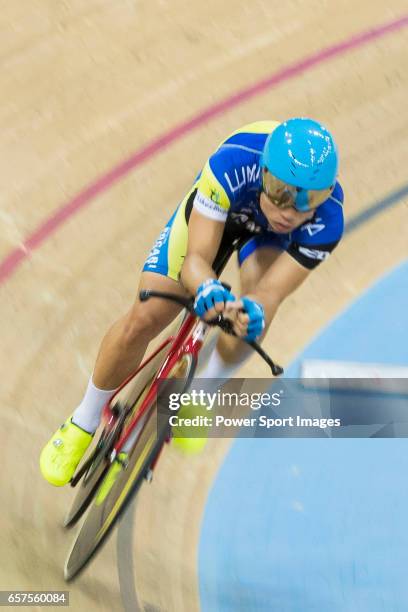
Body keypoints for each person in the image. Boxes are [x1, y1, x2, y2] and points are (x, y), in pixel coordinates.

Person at [40, 118, 344, 486]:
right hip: (224, 211)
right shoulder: (232, 165)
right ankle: (82, 421)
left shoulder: (326, 223)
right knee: (148, 314)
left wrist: (253, 308)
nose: (290, 212)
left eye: (309, 200)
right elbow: (196, 260)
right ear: (264, 173)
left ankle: (202, 391)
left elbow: (272, 291)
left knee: (252, 316)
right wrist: (206, 289)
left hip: (265, 241)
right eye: (281, 192)